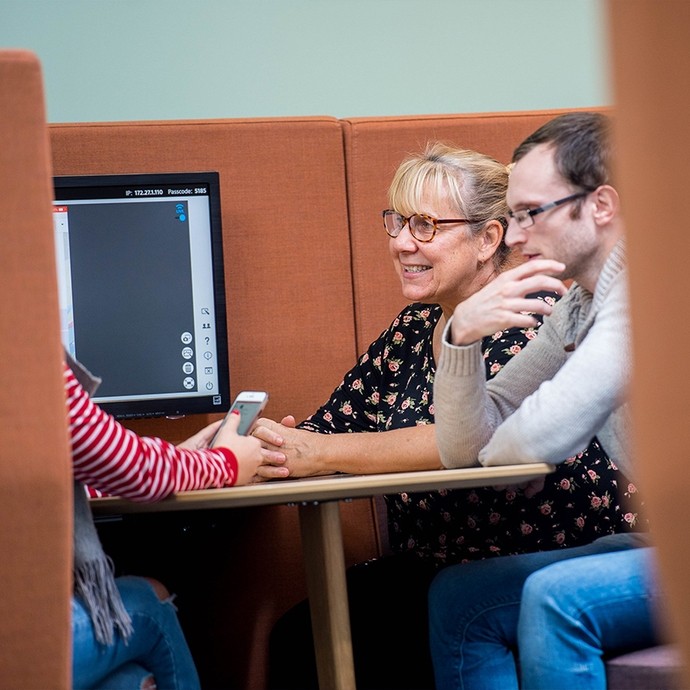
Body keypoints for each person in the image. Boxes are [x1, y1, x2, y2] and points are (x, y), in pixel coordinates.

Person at [254, 143, 640, 690]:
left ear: (488, 239)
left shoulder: (537, 309)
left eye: (426, 225)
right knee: (301, 634)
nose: (401, 242)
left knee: (427, 618)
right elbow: (333, 427)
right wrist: (265, 445)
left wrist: (318, 454)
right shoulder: (413, 327)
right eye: (396, 222)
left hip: (541, 550)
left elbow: (478, 437)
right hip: (433, 562)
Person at [429, 111, 654, 690]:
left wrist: (508, 454)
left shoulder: (654, 286)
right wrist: (460, 336)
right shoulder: (578, 306)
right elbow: (465, 448)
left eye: (532, 213)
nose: (517, 234)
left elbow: (539, 434)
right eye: (512, 216)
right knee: (461, 598)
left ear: (601, 204)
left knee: (556, 598)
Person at [65, 353, 263, 690]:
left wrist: (180, 464)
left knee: (132, 683)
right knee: (149, 601)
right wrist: (225, 463)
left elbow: (52, 482)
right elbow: (126, 464)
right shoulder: (25, 347)